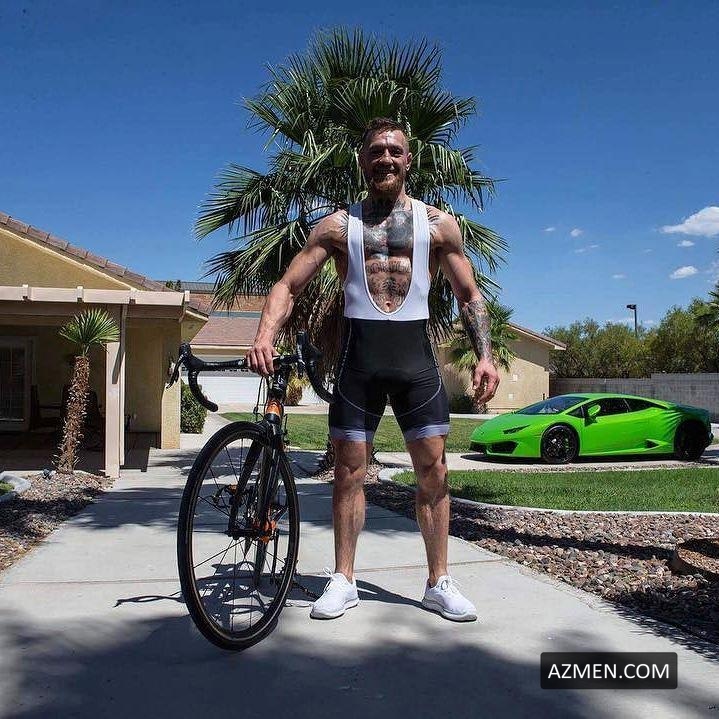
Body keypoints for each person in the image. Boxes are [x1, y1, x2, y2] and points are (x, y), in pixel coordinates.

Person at [247, 117, 499, 622]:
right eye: (376, 151)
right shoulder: (338, 227)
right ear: (363, 161)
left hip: (415, 362)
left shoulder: (438, 225)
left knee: (434, 472)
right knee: (348, 473)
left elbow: (469, 294)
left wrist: (485, 355)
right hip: (359, 362)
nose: (386, 158)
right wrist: (264, 335)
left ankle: (439, 582)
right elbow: (288, 286)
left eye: (394, 151)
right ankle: (343, 580)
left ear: (409, 160)